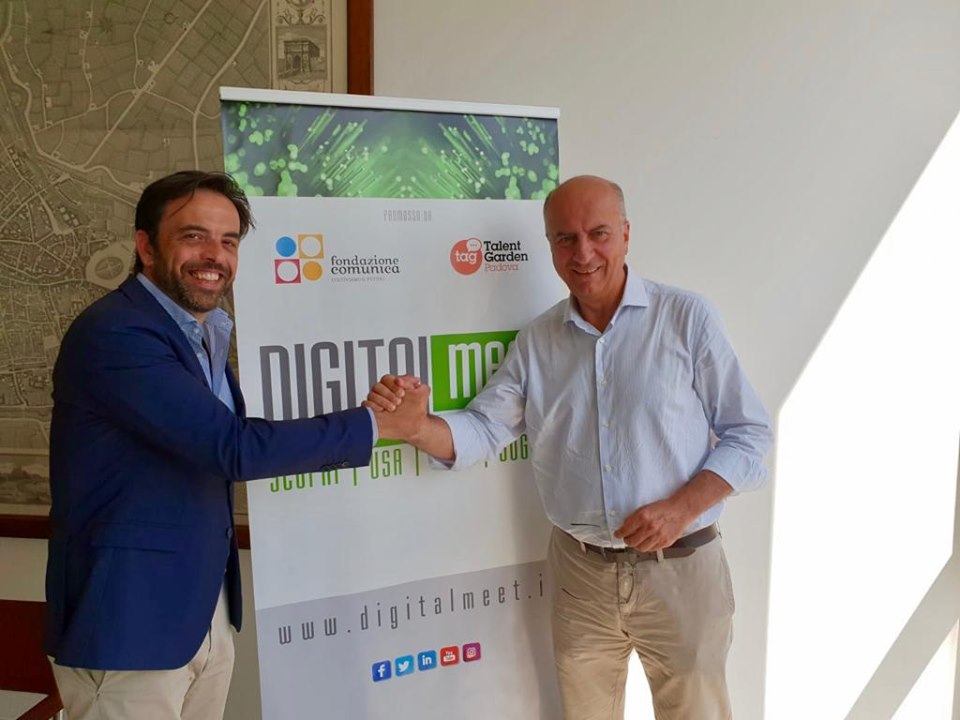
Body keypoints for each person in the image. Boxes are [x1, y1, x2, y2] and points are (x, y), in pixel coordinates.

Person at [367, 175, 772, 720]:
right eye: (565, 238)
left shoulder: (686, 318)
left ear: (626, 234)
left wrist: (681, 508)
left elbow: (749, 434)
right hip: (581, 576)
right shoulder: (537, 341)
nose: (582, 253)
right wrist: (417, 427)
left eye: (598, 233)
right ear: (550, 245)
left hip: (681, 569)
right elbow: (485, 428)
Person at [44, 170, 427, 720]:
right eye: (193, 236)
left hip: (200, 611)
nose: (215, 256)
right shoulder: (117, 333)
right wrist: (376, 425)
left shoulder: (199, 333)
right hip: (129, 622)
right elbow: (232, 447)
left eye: (228, 241)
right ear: (146, 247)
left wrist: (374, 418)